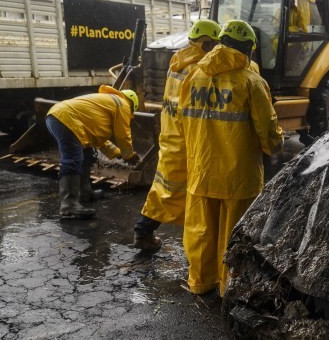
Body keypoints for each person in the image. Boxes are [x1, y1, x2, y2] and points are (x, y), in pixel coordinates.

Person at [179, 19, 284, 296]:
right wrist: (275, 147)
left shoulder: (193, 77)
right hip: (239, 176)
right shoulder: (251, 81)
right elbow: (267, 127)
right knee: (234, 234)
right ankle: (229, 286)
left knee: (201, 231)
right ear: (248, 50)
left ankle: (201, 283)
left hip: (201, 170)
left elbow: (182, 122)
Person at [133, 19, 221, 252]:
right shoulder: (199, 70)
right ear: (207, 45)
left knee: (164, 190)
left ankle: (144, 232)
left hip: (170, 136)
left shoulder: (178, 65)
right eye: (216, 44)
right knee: (184, 193)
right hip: (186, 141)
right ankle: (148, 233)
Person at [46, 85, 140, 219]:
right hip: (65, 119)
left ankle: (85, 192)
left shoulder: (109, 102)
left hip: (60, 116)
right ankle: (69, 205)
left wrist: (118, 153)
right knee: (73, 159)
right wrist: (128, 155)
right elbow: (123, 134)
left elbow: (99, 139)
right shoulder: (122, 104)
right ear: (133, 105)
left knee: (87, 154)